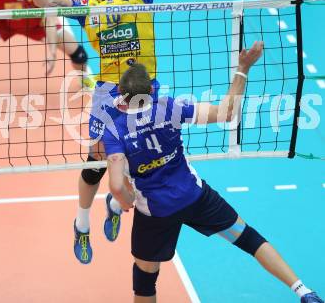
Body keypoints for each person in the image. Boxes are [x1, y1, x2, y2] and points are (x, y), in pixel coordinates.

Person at [102, 45, 324, 303]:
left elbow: (117, 185)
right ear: (152, 90)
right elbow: (226, 112)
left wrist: (127, 201)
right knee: (248, 237)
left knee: (144, 278)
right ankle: (303, 291)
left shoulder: (114, 129)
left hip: (155, 212)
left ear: (120, 92)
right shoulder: (170, 107)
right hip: (194, 196)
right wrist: (243, 68)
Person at [14, 0, 174, 264]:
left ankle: (115, 203)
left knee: (144, 158)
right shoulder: (88, 8)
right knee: (95, 163)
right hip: (108, 95)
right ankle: (82, 224)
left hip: (147, 90)